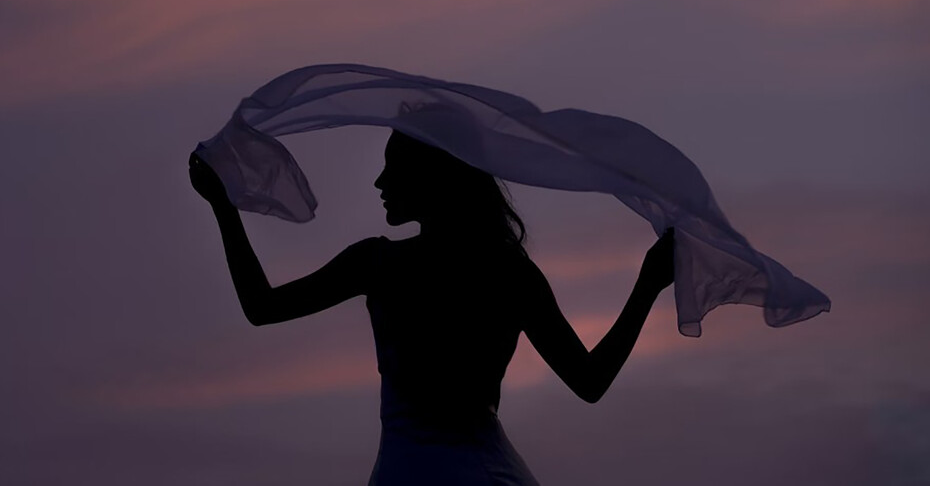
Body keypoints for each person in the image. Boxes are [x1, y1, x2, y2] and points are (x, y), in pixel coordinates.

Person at [189, 129, 675, 486]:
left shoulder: (378, 264)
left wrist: (223, 206)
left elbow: (262, 305)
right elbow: (589, 381)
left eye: (393, 165)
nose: (379, 181)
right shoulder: (509, 272)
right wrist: (647, 285)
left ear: (432, 176)